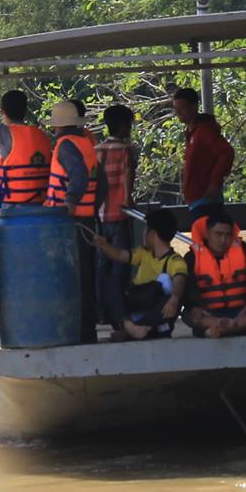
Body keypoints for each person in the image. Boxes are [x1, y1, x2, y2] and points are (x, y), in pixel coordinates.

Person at [44, 98, 99, 343]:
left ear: (59, 126)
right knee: (84, 277)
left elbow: (79, 176)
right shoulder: (86, 143)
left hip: (70, 222)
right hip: (86, 220)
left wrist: (71, 202)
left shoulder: (66, 146)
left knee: (71, 278)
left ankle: (76, 331)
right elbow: (101, 183)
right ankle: (87, 330)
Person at [90, 208, 187, 340]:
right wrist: (103, 244)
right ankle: (130, 327)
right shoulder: (143, 254)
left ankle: (132, 329)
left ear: (153, 234)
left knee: (170, 287)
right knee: (109, 281)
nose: (143, 234)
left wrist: (174, 298)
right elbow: (119, 255)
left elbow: (179, 278)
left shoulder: (174, 260)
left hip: (155, 315)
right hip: (136, 308)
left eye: (145, 230)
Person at [186, 208, 246, 338]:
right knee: (188, 314)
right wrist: (194, 305)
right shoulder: (192, 257)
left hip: (241, 311)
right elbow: (188, 286)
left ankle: (217, 330)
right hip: (209, 313)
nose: (223, 239)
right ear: (208, 233)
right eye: (218, 234)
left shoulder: (245, 251)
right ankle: (234, 327)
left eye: (227, 235)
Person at [93, 104, 139, 327]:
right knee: (121, 262)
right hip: (120, 214)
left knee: (102, 264)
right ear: (123, 127)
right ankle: (118, 308)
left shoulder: (97, 150)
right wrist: (129, 200)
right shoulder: (126, 150)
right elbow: (127, 178)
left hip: (99, 216)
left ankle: (102, 309)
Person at [0, 89, 52, 207]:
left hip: (12, 210)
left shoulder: (4, 135)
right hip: (42, 207)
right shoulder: (42, 135)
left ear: (2, 111)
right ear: (25, 111)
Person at [172, 86, 234, 216]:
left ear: (194, 107)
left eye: (181, 108)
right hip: (197, 199)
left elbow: (226, 153)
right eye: (176, 109)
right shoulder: (192, 132)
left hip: (205, 199)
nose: (178, 113)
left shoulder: (204, 130)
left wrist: (214, 183)